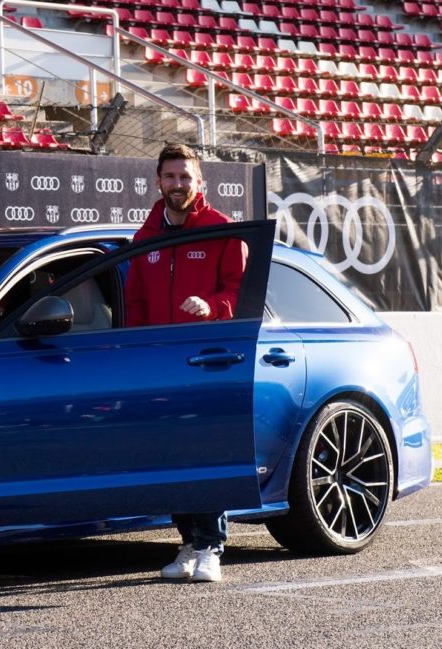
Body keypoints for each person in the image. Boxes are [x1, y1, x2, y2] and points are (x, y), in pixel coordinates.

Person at [125, 143, 246, 583]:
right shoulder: (145, 236)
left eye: (186, 177)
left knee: (204, 450)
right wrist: (137, 350)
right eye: (171, 177)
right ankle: (189, 544)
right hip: (159, 362)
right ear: (158, 181)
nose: (178, 185)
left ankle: (212, 546)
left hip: (207, 359)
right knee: (169, 454)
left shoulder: (222, 229)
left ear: (201, 183)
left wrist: (211, 307)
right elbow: (135, 301)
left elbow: (238, 291)